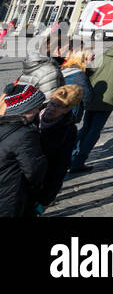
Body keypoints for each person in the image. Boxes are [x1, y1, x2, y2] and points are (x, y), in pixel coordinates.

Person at [68, 26, 113, 173]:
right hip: (109, 97)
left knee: (86, 127)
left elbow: (90, 70)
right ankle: (79, 161)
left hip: (93, 93)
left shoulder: (104, 53)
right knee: (94, 130)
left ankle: (69, 155)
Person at [0, 83, 49, 217]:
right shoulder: (25, 134)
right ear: (27, 108)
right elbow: (33, 171)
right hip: (10, 194)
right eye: (37, 107)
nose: (39, 111)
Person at [35, 84, 83, 213]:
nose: (51, 109)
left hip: (39, 182)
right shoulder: (32, 115)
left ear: (68, 109)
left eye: (58, 107)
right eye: (51, 103)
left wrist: (46, 200)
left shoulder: (67, 131)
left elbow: (60, 167)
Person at [57, 50, 93, 125]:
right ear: (83, 59)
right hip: (72, 111)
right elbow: (87, 96)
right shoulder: (79, 75)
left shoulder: (63, 70)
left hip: (60, 108)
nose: (93, 58)